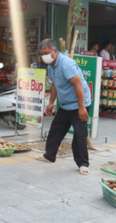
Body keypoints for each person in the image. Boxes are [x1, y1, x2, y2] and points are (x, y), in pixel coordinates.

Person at [35, 39, 91, 175]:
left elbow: (78, 85)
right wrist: (51, 103)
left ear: (55, 51)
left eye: (46, 53)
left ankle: (83, 164)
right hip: (66, 105)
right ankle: (49, 156)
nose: (44, 56)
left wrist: (81, 107)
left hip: (79, 104)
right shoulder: (51, 67)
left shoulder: (66, 64)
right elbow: (54, 86)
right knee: (56, 130)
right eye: (42, 54)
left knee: (79, 135)